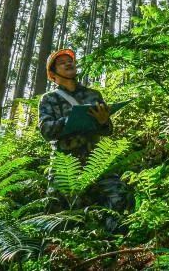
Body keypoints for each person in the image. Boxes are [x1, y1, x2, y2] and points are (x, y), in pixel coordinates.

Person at [38, 49, 129, 224]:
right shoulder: (48, 99)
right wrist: (70, 120)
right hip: (65, 166)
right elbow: (46, 131)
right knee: (59, 216)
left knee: (119, 197)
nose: (68, 63)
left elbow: (107, 130)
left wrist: (103, 122)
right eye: (61, 62)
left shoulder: (93, 95)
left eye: (70, 60)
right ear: (52, 73)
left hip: (95, 161)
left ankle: (110, 243)